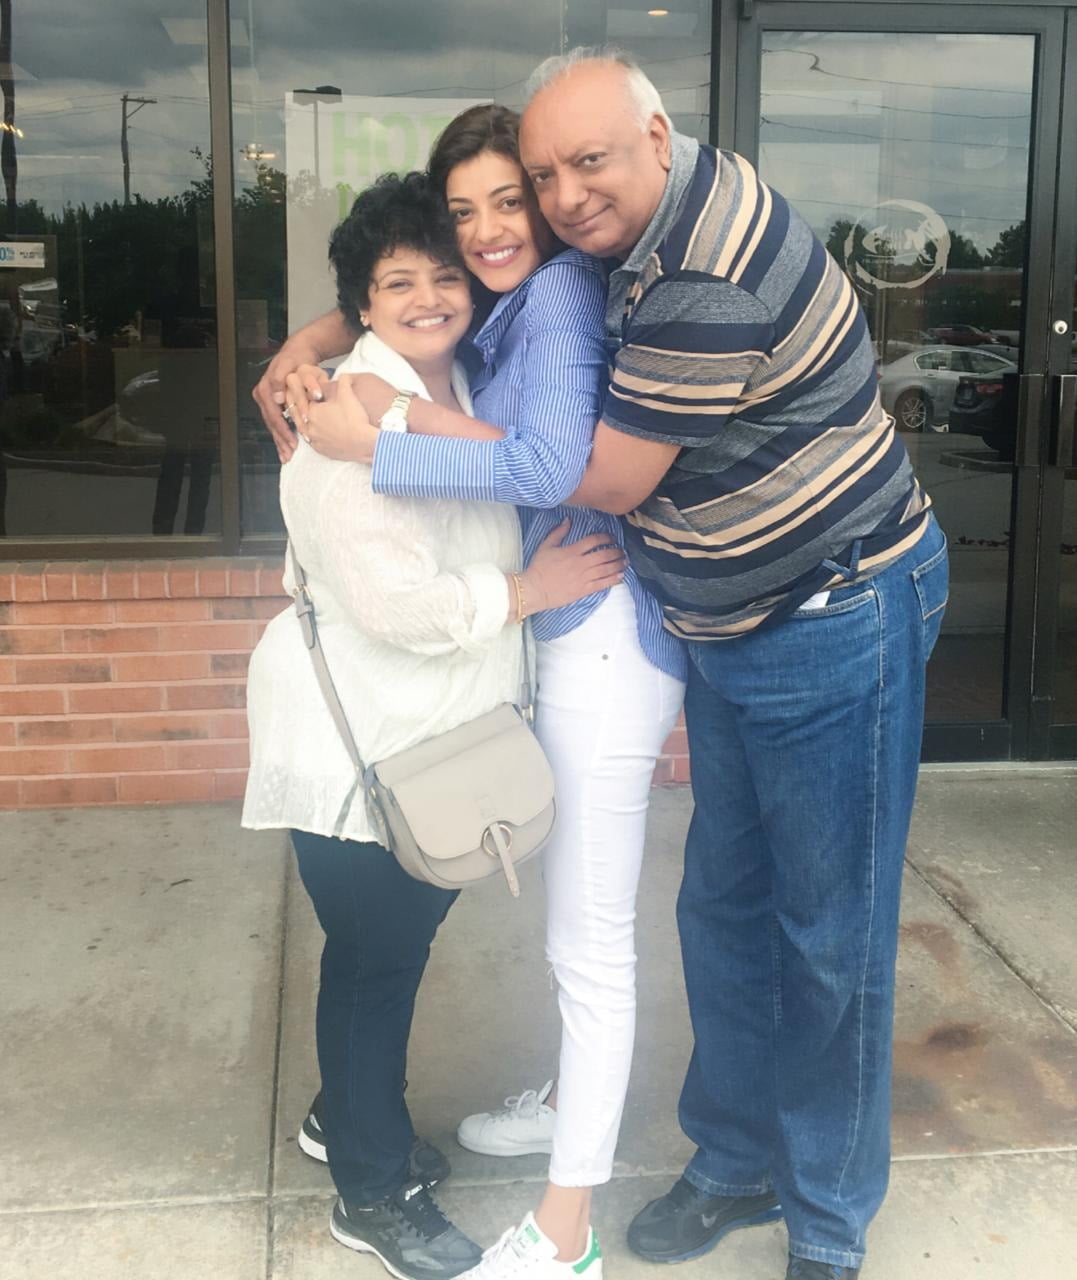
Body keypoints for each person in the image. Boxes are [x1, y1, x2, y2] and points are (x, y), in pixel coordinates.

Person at [256, 102, 687, 1280]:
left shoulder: (428, 379)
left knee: (383, 951)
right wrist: (527, 589)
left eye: (446, 272)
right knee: (374, 961)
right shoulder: (348, 422)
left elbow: (499, 436)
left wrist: (341, 356)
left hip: (421, 741)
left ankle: (349, 1115)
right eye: (400, 281)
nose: (436, 292)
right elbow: (397, 602)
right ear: (365, 302)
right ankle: (371, 1191)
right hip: (363, 750)